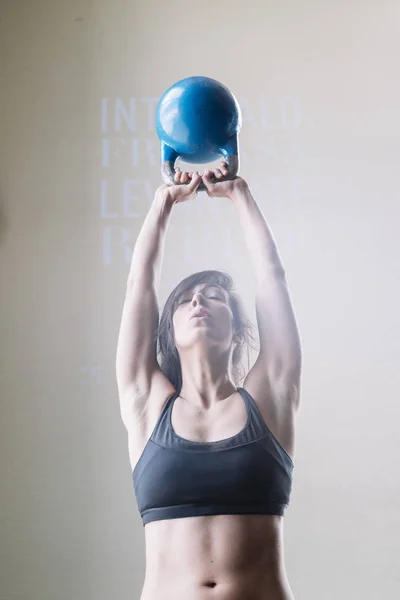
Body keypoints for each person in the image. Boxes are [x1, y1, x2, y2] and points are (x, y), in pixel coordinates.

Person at [116, 161, 302, 600]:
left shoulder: (270, 396)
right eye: (185, 300)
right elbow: (138, 285)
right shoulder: (147, 404)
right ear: (169, 330)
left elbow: (272, 277)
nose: (198, 300)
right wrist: (163, 203)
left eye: (215, 297)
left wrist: (239, 194)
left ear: (237, 328)